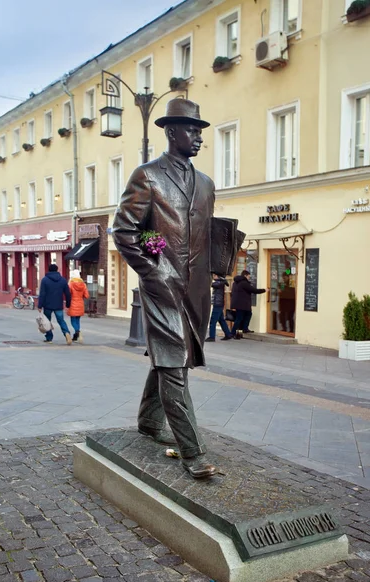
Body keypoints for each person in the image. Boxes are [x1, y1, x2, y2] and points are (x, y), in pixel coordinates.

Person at [113, 98, 217, 479]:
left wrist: (218, 265)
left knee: (171, 356)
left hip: (196, 291)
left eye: (201, 132)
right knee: (175, 363)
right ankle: (193, 452)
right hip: (161, 287)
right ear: (171, 132)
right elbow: (125, 231)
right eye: (192, 130)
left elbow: (207, 231)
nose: (198, 138)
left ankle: (148, 421)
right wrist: (152, 271)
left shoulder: (206, 183)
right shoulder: (148, 176)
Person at [38, 264, 72, 345]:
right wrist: (68, 304)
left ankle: (49, 338)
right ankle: (66, 333)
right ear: (57, 270)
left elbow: (42, 294)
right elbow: (67, 294)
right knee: (61, 320)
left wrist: (40, 305)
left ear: (48, 270)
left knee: (47, 321)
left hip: (47, 305)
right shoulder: (63, 280)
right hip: (58, 305)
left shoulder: (45, 280)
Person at [231, 270, 268, 338]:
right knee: (240, 318)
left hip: (239, 303)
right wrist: (264, 290)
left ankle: (243, 330)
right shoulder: (244, 283)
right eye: (248, 276)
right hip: (242, 304)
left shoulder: (235, 283)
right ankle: (233, 332)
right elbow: (254, 290)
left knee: (246, 315)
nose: (249, 278)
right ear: (245, 275)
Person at [205, 274, 233, 342]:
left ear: (217, 276)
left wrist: (207, 281)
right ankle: (228, 334)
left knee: (213, 321)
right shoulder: (221, 282)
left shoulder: (219, 282)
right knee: (221, 320)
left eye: (214, 276)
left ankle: (212, 337)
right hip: (219, 304)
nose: (213, 277)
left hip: (218, 304)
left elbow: (212, 284)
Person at [67, 269, 89, 342]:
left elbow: (68, 294)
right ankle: (76, 335)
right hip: (80, 303)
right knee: (78, 320)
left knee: (73, 320)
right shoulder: (83, 284)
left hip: (73, 303)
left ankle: (78, 332)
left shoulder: (71, 284)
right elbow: (86, 295)